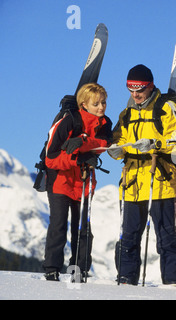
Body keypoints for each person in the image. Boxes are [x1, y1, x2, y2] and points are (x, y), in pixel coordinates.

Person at [108, 64, 176, 286]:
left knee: (166, 236)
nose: (135, 94)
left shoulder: (166, 107)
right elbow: (118, 140)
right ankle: (125, 279)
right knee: (129, 235)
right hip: (132, 182)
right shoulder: (127, 113)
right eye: (131, 89)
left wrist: (156, 144)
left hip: (159, 181)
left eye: (140, 89)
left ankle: (172, 282)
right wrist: (117, 149)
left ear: (150, 86)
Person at [43, 83, 112, 281]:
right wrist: (76, 158)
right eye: (96, 103)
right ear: (84, 104)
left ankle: (79, 270)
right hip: (60, 181)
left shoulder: (105, 123)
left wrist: (83, 143)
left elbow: (106, 143)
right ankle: (52, 268)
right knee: (58, 226)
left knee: (83, 229)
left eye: (104, 102)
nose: (101, 107)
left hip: (84, 182)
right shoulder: (68, 122)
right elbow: (51, 158)